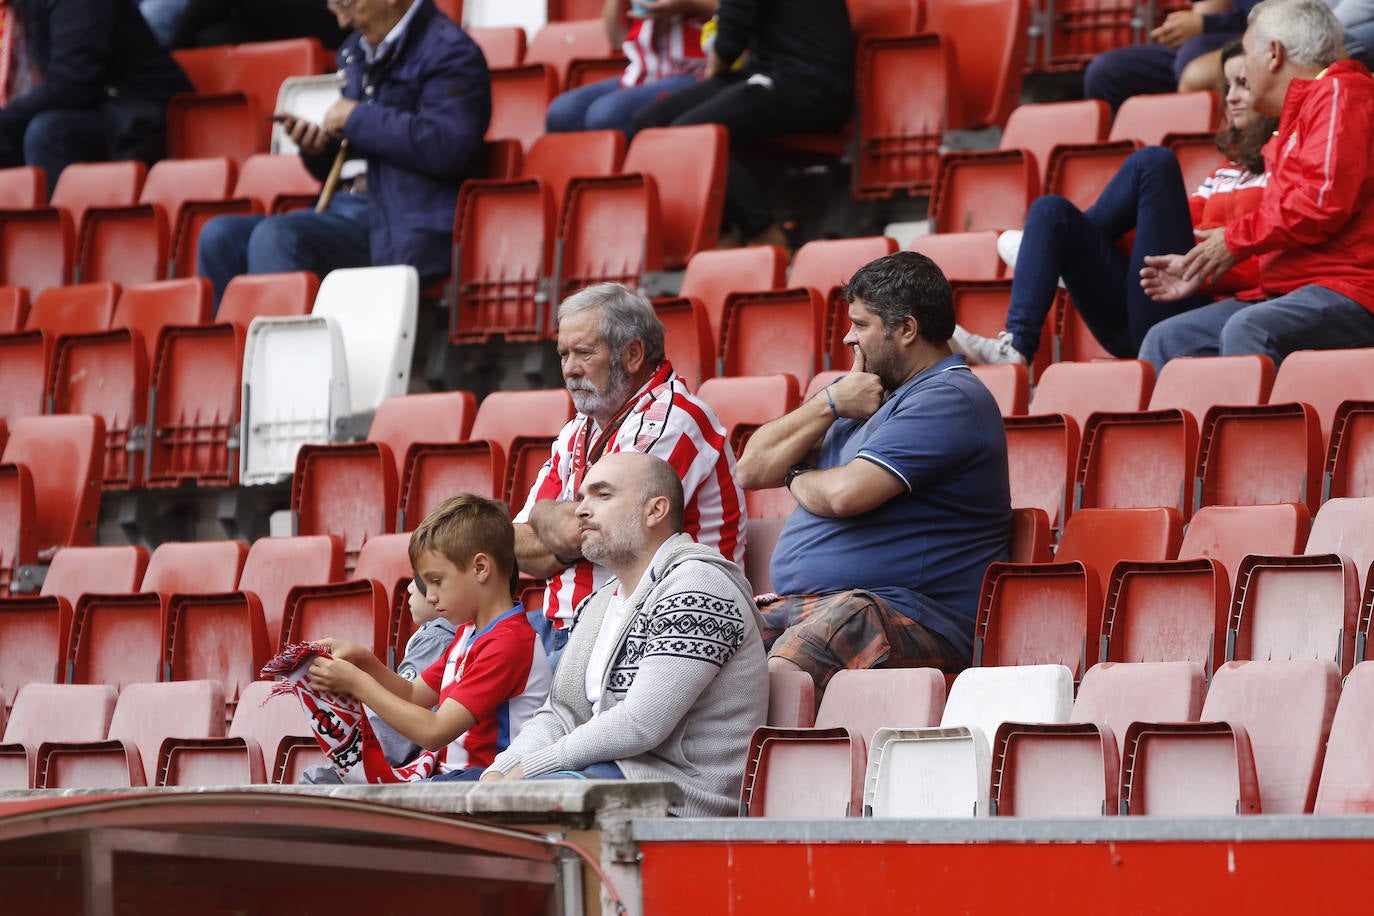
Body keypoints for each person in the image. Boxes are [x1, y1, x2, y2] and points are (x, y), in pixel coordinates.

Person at [735, 251, 1011, 691]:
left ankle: (747, 762)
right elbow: (749, 469)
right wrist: (829, 404)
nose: (848, 338)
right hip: (812, 605)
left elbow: (846, 495)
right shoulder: (860, 392)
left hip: (910, 613)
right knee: (700, 656)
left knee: (776, 681)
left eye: (861, 325)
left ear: (906, 329)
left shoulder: (950, 398)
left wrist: (794, 476)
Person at [482, 452, 768, 818]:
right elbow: (560, 714)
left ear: (655, 511)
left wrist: (530, 771)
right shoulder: (600, 603)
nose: (582, 510)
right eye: (582, 497)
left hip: (683, 802)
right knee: (456, 800)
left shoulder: (698, 587)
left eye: (602, 495)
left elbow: (641, 723)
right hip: (612, 780)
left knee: (520, 806)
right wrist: (500, 770)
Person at [955, 41, 1276, 366]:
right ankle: (1015, 347)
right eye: (1228, 86)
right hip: (1143, 306)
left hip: (1195, 306)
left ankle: (1053, 252)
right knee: (1050, 211)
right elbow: (1167, 231)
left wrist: (1211, 266)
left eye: (1244, 84)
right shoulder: (1221, 173)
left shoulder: (1286, 167)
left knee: (1154, 162)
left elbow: (1280, 260)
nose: (1232, 96)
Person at [195, 0, 490, 304]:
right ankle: (242, 350)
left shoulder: (450, 51)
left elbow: (449, 147)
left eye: (347, 3)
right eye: (334, 5)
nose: (342, 21)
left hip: (405, 220)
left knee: (277, 237)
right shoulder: (359, 47)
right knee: (219, 236)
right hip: (345, 207)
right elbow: (357, 150)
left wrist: (358, 119)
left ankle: (286, 351)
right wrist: (318, 149)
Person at [514, 283, 746, 666]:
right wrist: (567, 530)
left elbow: (598, 532)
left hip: (651, 631)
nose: (569, 369)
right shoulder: (576, 430)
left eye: (584, 352)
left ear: (633, 354)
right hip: (569, 629)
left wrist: (543, 516)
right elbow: (515, 545)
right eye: (564, 354)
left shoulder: (676, 418)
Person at [1136, 0, 1374, 370]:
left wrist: (1233, 240)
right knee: (1166, 340)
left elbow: (1321, 201)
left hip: (1351, 288)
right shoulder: (1299, 115)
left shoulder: (1340, 94)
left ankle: (1267, 431)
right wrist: (1199, 271)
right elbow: (1283, 231)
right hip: (1289, 289)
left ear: (1274, 54)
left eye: (1246, 53)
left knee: (1249, 329)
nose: (1242, 68)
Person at [273, 494, 551, 783]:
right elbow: (413, 694)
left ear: (480, 568)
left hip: (487, 783)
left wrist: (356, 684)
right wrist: (363, 661)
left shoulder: (508, 642)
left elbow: (434, 731)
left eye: (436, 581)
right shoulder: (470, 633)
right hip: (456, 780)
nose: (429, 596)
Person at [630, 0, 853, 248]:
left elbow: (729, 43)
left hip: (812, 83)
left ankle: (765, 232)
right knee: (650, 121)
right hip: (768, 70)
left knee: (693, 131)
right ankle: (724, 234)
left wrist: (712, 85)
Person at [0, 0, 192, 197]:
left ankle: (60, 225)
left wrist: (8, 119)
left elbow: (72, 82)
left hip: (140, 114)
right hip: (96, 106)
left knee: (46, 132)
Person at [544, 0, 713, 137]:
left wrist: (690, 4)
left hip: (700, 70)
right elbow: (616, 39)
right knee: (562, 112)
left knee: (606, 115)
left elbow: (736, 10)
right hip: (644, 71)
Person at [1084, 0, 1259, 113]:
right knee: (1106, 71)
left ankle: (1199, 151)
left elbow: (1276, 17)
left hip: (1262, 37)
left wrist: (1206, 24)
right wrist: (1184, 28)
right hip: (1220, 36)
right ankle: (1130, 160)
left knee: (1192, 55)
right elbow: (1209, 10)